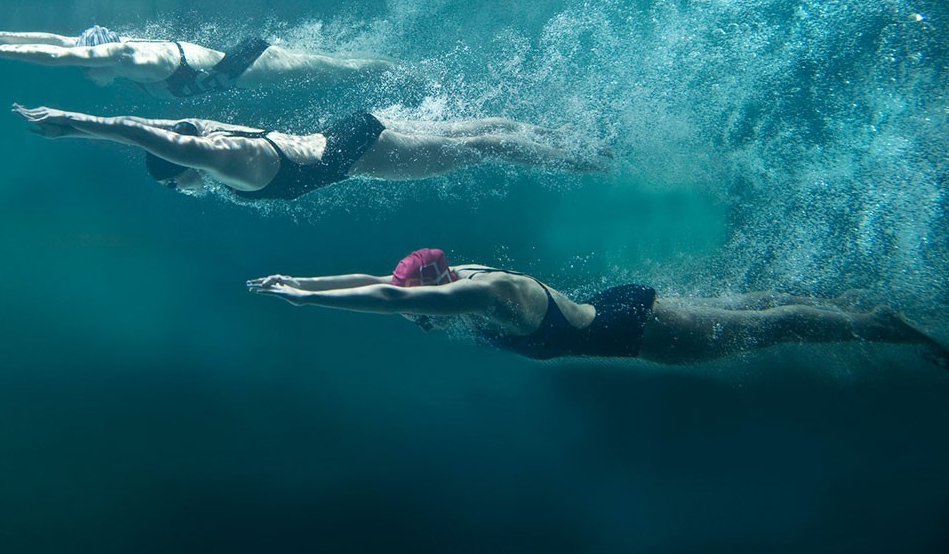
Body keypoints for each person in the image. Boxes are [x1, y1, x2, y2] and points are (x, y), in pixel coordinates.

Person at [247, 248, 949, 366]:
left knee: (772, 331)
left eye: (417, 305)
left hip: (632, 328)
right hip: (615, 308)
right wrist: (302, 286)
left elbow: (386, 294)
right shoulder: (452, 275)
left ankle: (880, 326)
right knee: (754, 309)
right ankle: (851, 308)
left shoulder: (487, 293)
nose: (416, 311)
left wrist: (310, 306)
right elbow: (386, 283)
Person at [13, 105, 610, 200]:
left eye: (176, 182)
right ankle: (572, 139)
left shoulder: (222, 163)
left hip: (357, 153)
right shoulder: (222, 136)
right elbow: (172, 123)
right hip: (346, 132)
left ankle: (594, 159)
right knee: (475, 131)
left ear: (185, 167)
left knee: (486, 147)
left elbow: (152, 134)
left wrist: (76, 125)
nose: (183, 190)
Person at [0, 26, 392, 97]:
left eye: (86, 66)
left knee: (335, 70)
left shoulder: (125, 56)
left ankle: (395, 68)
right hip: (232, 72)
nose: (86, 73)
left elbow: (54, 56)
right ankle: (389, 66)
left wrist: (0, 51)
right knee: (329, 68)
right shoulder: (114, 54)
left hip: (249, 69)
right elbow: (55, 41)